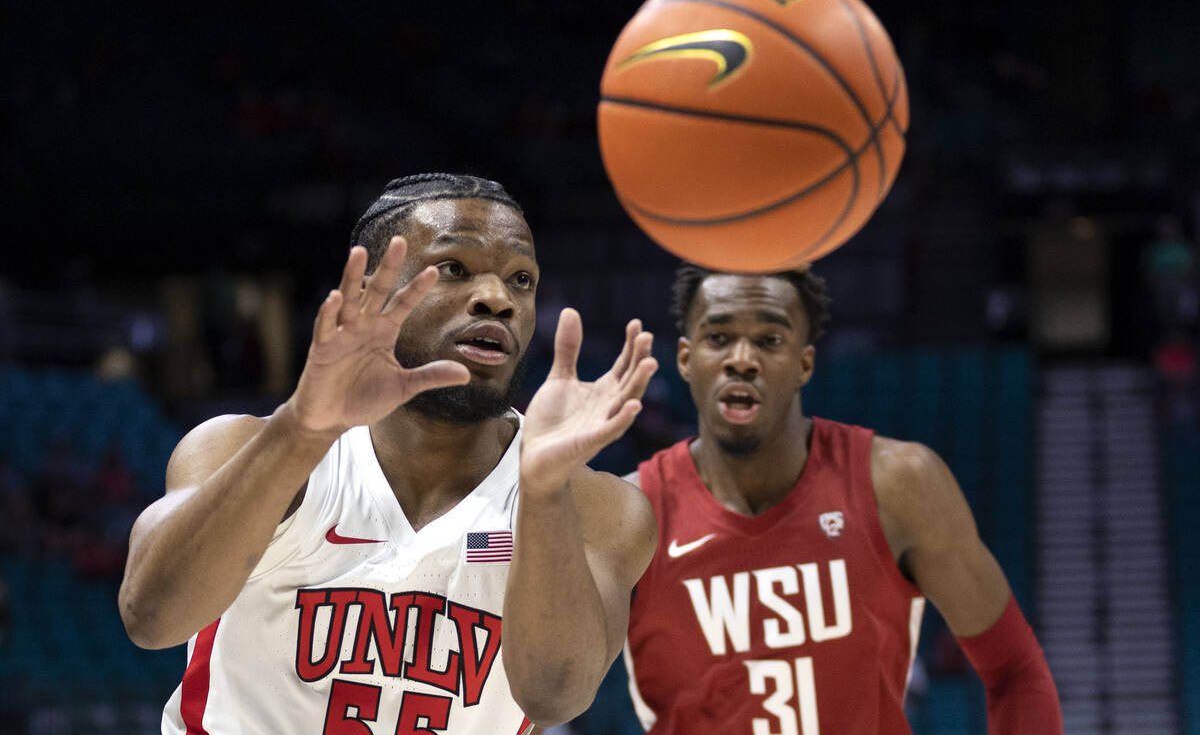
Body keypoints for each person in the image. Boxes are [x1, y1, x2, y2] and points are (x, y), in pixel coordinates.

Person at [119, 173, 659, 735]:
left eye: (521, 279)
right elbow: (151, 618)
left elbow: (555, 699)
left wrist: (545, 495)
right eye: (455, 268)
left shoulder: (597, 506)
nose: (497, 298)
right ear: (366, 291)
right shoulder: (240, 447)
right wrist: (301, 432)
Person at [622, 263, 1061, 734]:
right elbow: (546, 695)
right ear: (686, 359)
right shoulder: (628, 513)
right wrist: (543, 485)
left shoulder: (899, 483)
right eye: (719, 338)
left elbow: (1015, 669)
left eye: (770, 340)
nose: (742, 359)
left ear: (804, 363)